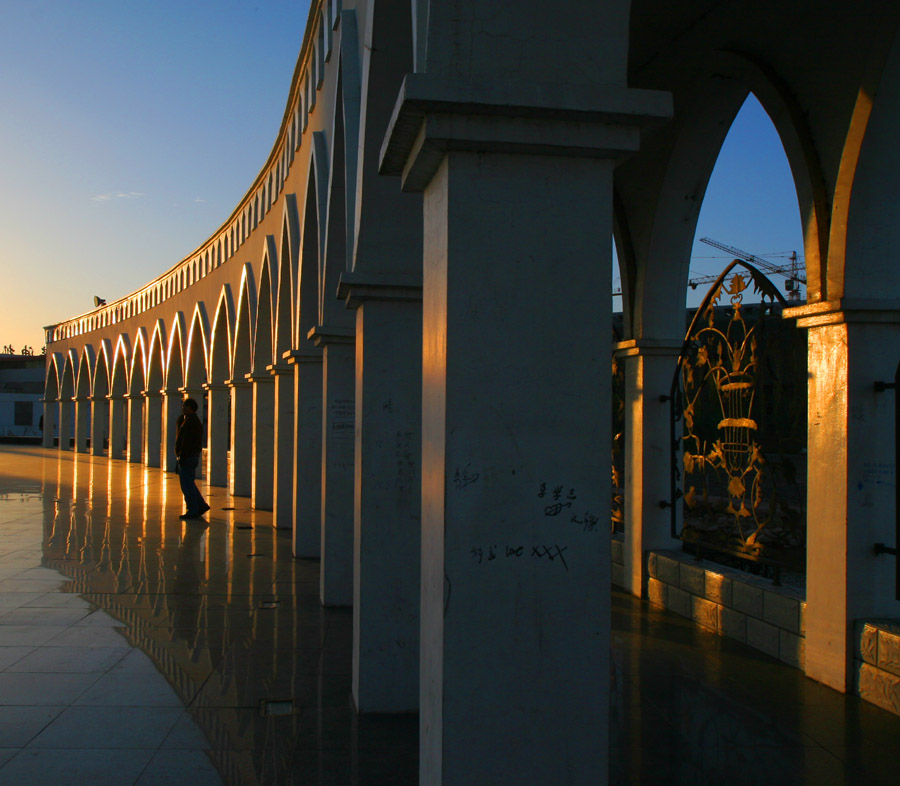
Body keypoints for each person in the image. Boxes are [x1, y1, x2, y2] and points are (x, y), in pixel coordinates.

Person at [175, 398, 210, 519]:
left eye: (185, 406)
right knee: (189, 483)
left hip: (188, 456)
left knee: (187, 485)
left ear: (191, 408)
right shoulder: (188, 421)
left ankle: (193, 510)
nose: (183, 408)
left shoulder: (191, 422)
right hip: (189, 456)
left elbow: (187, 442)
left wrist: (182, 456)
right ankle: (201, 505)